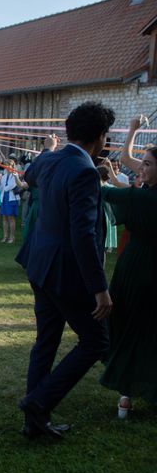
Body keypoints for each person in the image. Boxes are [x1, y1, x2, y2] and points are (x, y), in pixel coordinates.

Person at [15, 102, 115, 439]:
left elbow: (30, 174)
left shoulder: (52, 160)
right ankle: (38, 403)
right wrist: (100, 288)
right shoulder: (84, 172)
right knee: (96, 341)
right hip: (65, 272)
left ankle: (34, 422)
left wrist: (49, 151)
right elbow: (84, 234)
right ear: (100, 137)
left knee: (46, 341)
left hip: (40, 265)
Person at [99, 116, 157, 418]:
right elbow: (125, 160)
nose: (142, 167)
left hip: (140, 268)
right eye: (144, 163)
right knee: (144, 327)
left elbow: (109, 193)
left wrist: (86, 178)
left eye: (148, 164)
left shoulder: (142, 198)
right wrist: (133, 131)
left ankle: (125, 395)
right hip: (139, 263)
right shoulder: (142, 193)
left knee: (132, 324)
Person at [0, 157, 26, 244]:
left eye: (9, 166)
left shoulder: (15, 175)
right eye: (6, 166)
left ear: (12, 166)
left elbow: (10, 186)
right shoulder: (3, 176)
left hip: (11, 199)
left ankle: (12, 237)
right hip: (4, 198)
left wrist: (3, 187)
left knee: (11, 218)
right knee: (4, 217)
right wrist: (0, 181)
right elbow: (1, 188)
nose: (7, 167)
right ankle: (5, 236)